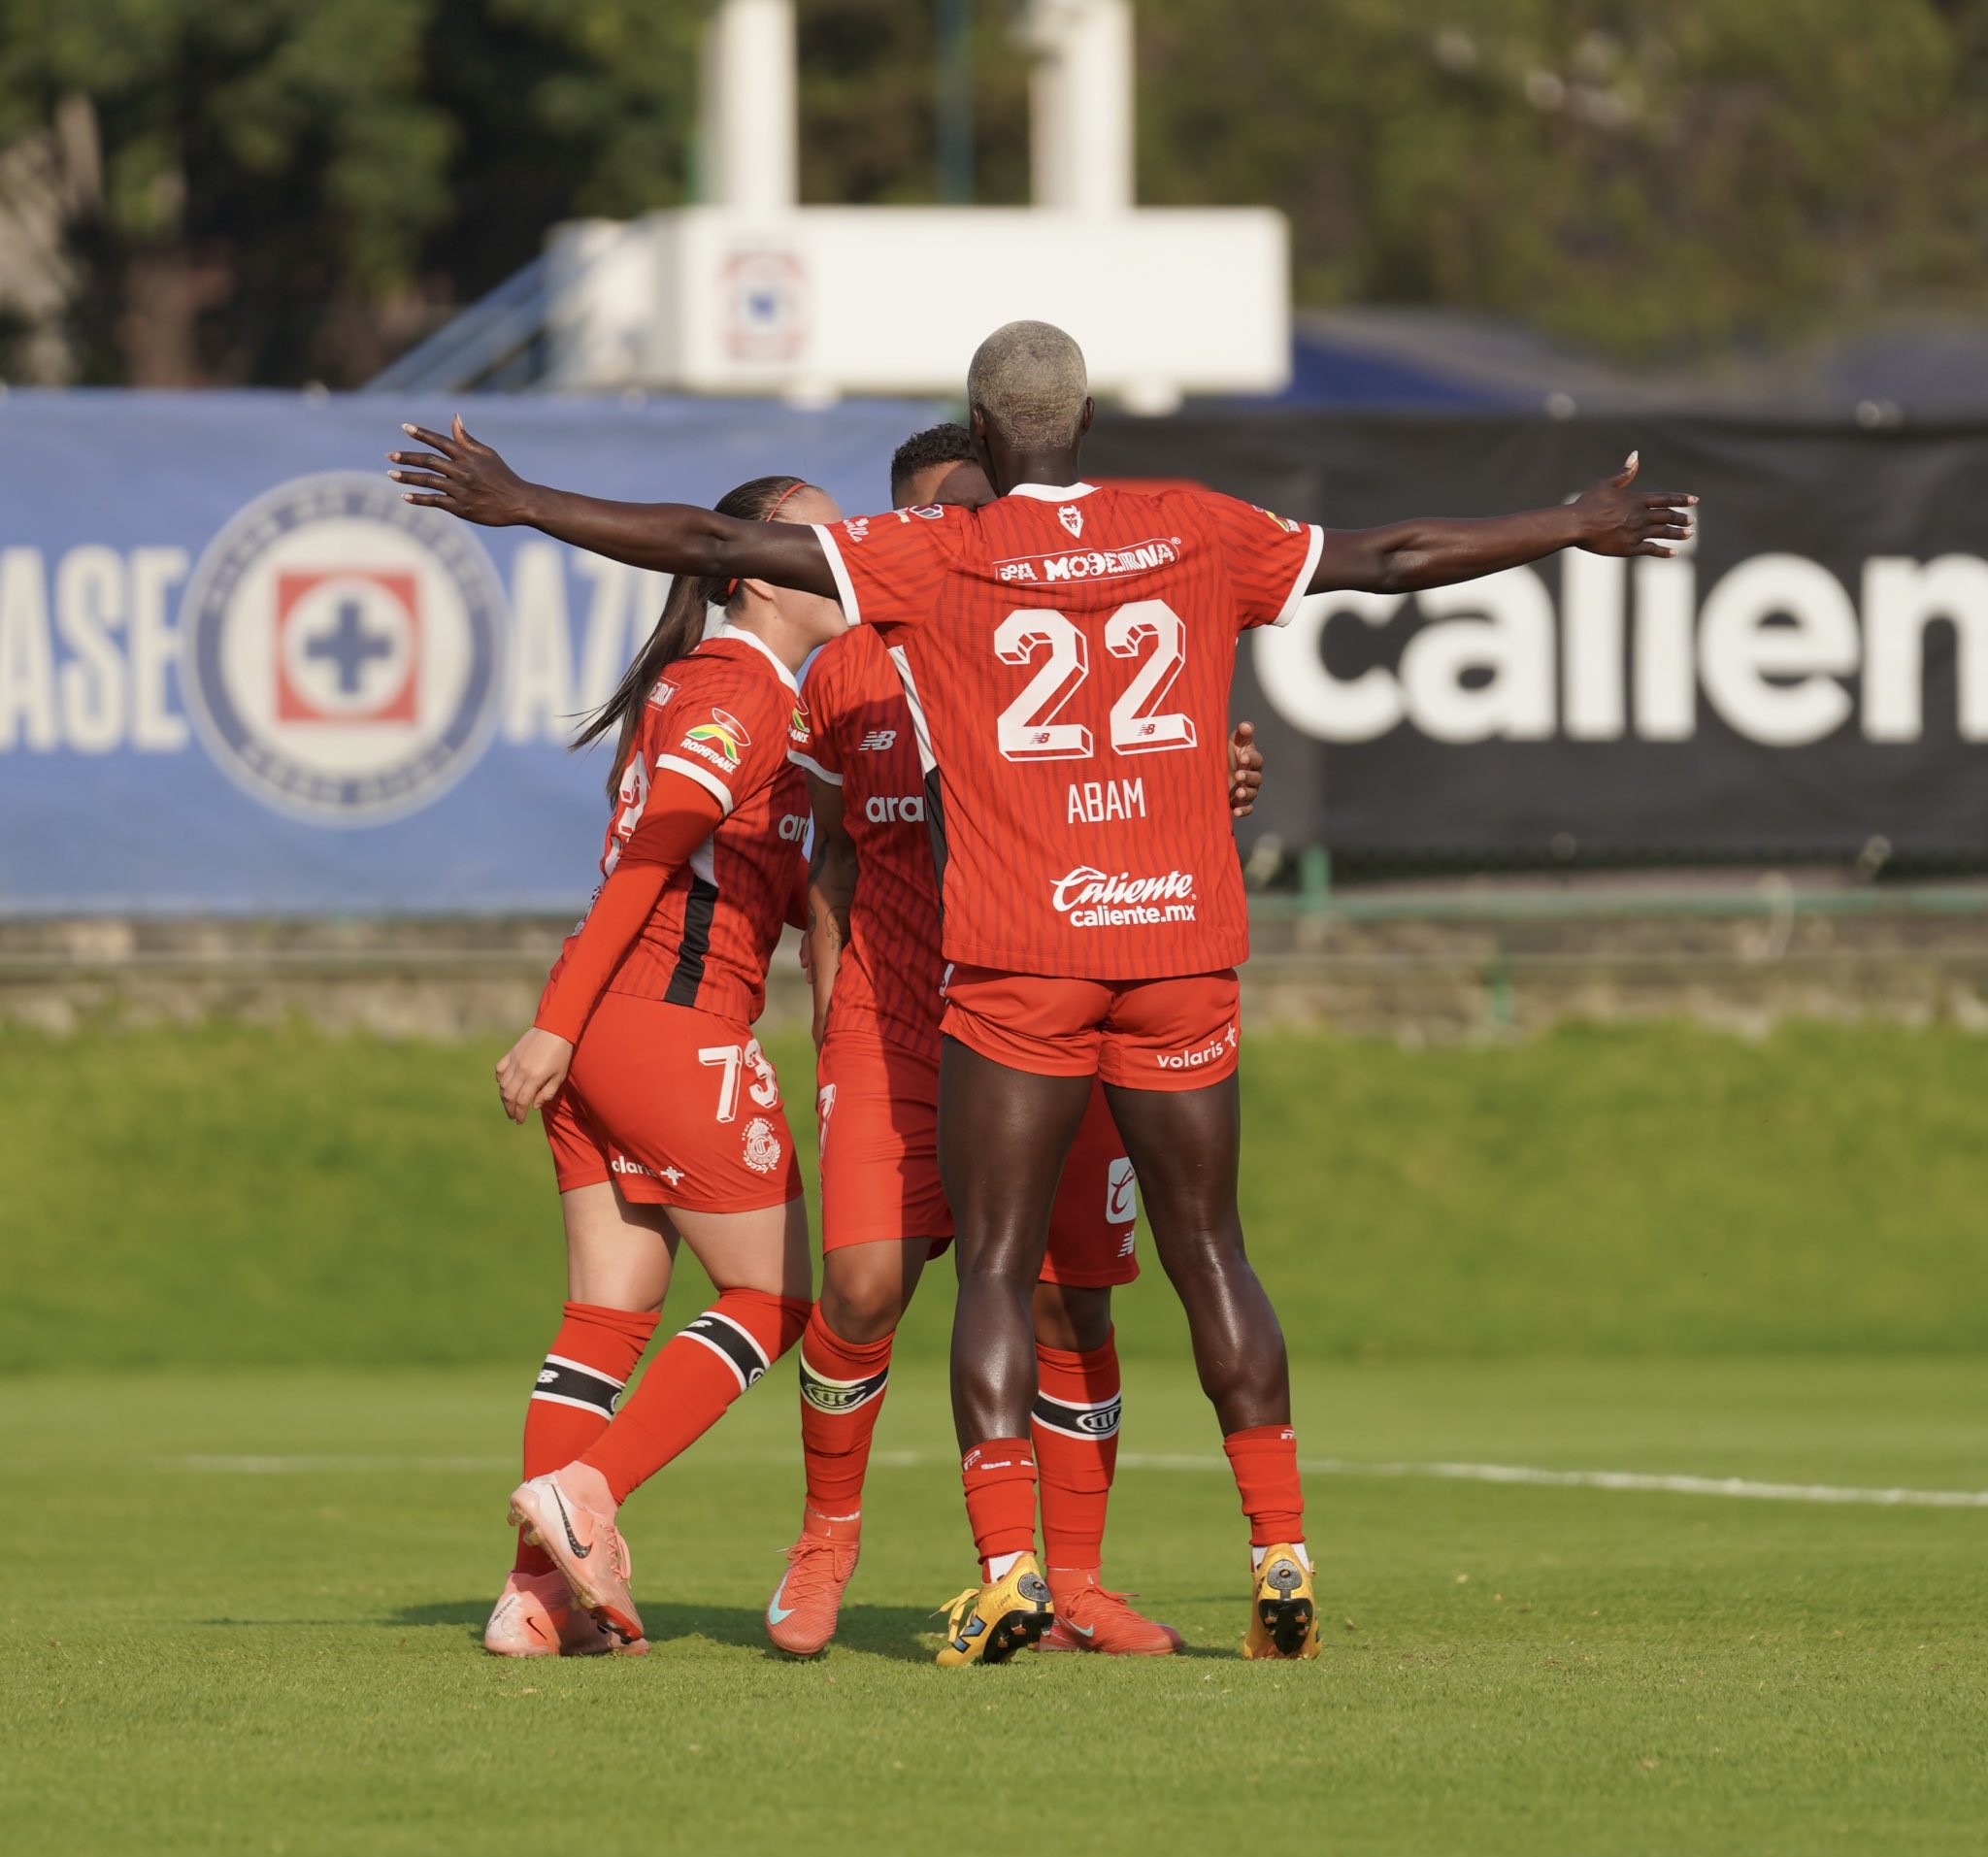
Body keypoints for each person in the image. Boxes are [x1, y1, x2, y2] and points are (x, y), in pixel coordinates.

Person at [389, 343, 1694, 1665]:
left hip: (1028, 973)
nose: (942, 527)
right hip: (1064, 976)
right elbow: (1394, 555)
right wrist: (1576, 521)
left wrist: (527, 500)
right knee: (942, 1278)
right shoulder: (1112, 552)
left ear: (988, 462)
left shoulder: (943, 571)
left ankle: (1045, 1577)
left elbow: (704, 539)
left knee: (1046, 1284)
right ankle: (904, 1546)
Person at [770, 421, 1262, 1659]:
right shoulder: (844, 674)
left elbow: (1142, 784)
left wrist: (1216, 781)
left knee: (1065, 1299)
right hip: (896, 1021)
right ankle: (826, 1538)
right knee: (867, 1284)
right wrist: (827, 1002)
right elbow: (831, 852)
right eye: (949, 518)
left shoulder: (1055, 631)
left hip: (1057, 989)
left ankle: (1070, 1581)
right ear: (893, 535)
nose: (986, 542)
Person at [480, 474, 840, 1656]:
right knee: (778, 1294)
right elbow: (649, 861)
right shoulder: (736, 690)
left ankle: (535, 1601)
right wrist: (554, 1019)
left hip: (614, 1031)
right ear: (749, 570)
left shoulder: (750, 695)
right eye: (813, 531)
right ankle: (593, 1492)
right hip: (661, 1025)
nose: (838, 549)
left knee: (606, 1311)